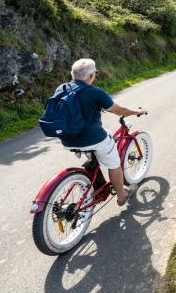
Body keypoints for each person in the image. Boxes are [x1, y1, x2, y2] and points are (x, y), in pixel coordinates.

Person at [60, 59, 147, 206]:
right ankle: (122, 195)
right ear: (91, 76)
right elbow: (119, 110)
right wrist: (136, 111)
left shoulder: (62, 88)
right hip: (91, 138)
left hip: (67, 138)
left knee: (106, 133)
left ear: (72, 74)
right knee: (114, 163)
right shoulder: (95, 92)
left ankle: (93, 163)